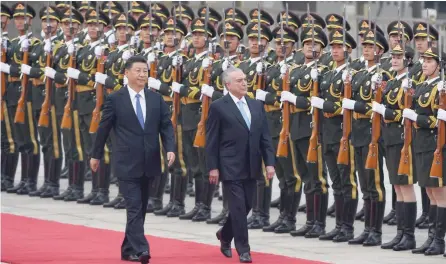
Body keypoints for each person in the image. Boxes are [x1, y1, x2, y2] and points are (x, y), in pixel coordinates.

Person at [90, 55, 175, 264]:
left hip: (150, 161)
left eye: (145, 71)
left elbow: (166, 126)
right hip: (126, 162)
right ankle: (142, 248)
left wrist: (170, 148)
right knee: (134, 206)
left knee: (141, 207)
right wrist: (96, 154)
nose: (142, 74)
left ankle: (128, 249)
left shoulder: (156, 99)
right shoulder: (115, 99)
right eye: (137, 70)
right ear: (126, 73)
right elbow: (104, 128)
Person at [205, 66, 275, 263]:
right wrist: (213, 166)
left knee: (246, 206)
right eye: (239, 80)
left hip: (252, 164)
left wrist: (269, 163)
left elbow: (265, 138)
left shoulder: (256, 105)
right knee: (237, 207)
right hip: (230, 164)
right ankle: (244, 250)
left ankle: (225, 235)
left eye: (245, 79)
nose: (244, 83)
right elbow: (212, 139)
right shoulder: (219, 106)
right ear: (227, 85)